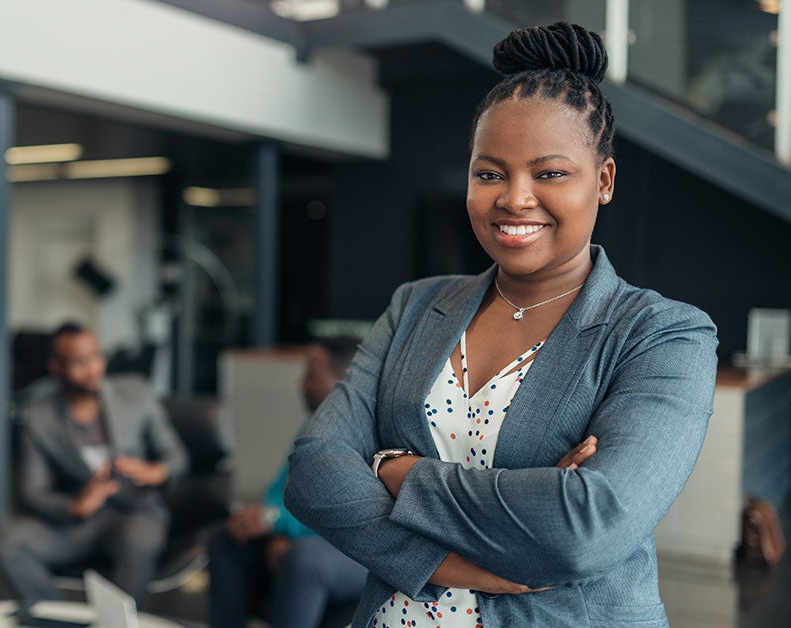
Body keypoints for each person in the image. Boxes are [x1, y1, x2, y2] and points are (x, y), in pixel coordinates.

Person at [284, 22, 718, 628]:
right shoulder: (415, 305)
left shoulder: (662, 335)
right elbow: (312, 471)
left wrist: (390, 469)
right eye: (490, 173)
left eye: (549, 173)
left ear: (605, 181)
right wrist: (444, 559)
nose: (514, 198)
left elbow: (586, 528)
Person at [0, 322, 188, 608]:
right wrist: (74, 506)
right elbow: (32, 491)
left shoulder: (135, 393)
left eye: (96, 357)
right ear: (56, 366)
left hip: (136, 512)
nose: (92, 368)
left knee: (138, 542)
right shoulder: (39, 418)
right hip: (78, 521)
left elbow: (177, 456)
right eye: (79, 362)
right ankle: (55, 620)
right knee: (8, 544)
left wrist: (156, 471)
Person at [208, 336, 368, 628]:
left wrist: (279, 525)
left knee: (303, 559)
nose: (301, 384)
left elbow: (346, 515)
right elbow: (277, 489)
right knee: (226, 540)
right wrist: (268, 519)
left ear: (342, 381)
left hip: (355, 552)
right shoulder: (310, 427)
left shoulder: (366, 434)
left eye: (311, 375)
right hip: (301, 535)